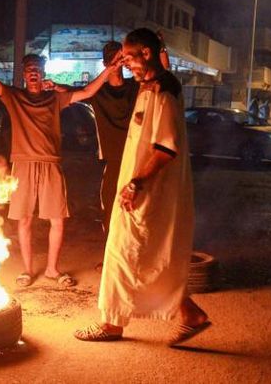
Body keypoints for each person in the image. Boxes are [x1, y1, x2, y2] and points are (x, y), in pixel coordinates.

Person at [75, 28, 210, 346]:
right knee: (144, 258)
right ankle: (188, 314)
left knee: (125, 254)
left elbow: (165, 147)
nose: (126, 64)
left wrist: (136, 184)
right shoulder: (149, 87)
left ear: (145, 54)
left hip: (147, 193)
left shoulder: (162, 91)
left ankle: (112, 324)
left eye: (129, 57)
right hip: (141, 190)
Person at [0, 31, 123, 288]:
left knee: (57, 219)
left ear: (43, 71)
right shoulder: (14, 96)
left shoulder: (55, 98)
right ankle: (27, 270)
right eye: (29, 69)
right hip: (23, 165)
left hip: (51, 164)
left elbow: (89, 91)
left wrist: (109, 70)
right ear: (24, 74)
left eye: (37, 68)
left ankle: (51, 270)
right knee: (24, 219)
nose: (33, 72)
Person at [50, 41, 138, 236]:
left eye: (121, 59)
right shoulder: (99, 92)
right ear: (107, 62)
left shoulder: (135, 86)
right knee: (109, 203)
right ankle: (110, 253)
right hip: (113, 157)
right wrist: (54, 85)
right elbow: (74, 91)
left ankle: (134, 254)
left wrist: (161, 49)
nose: (118, 63)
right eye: (115, 59)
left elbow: (161, 74)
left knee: (138, 205)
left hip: (136, 155)